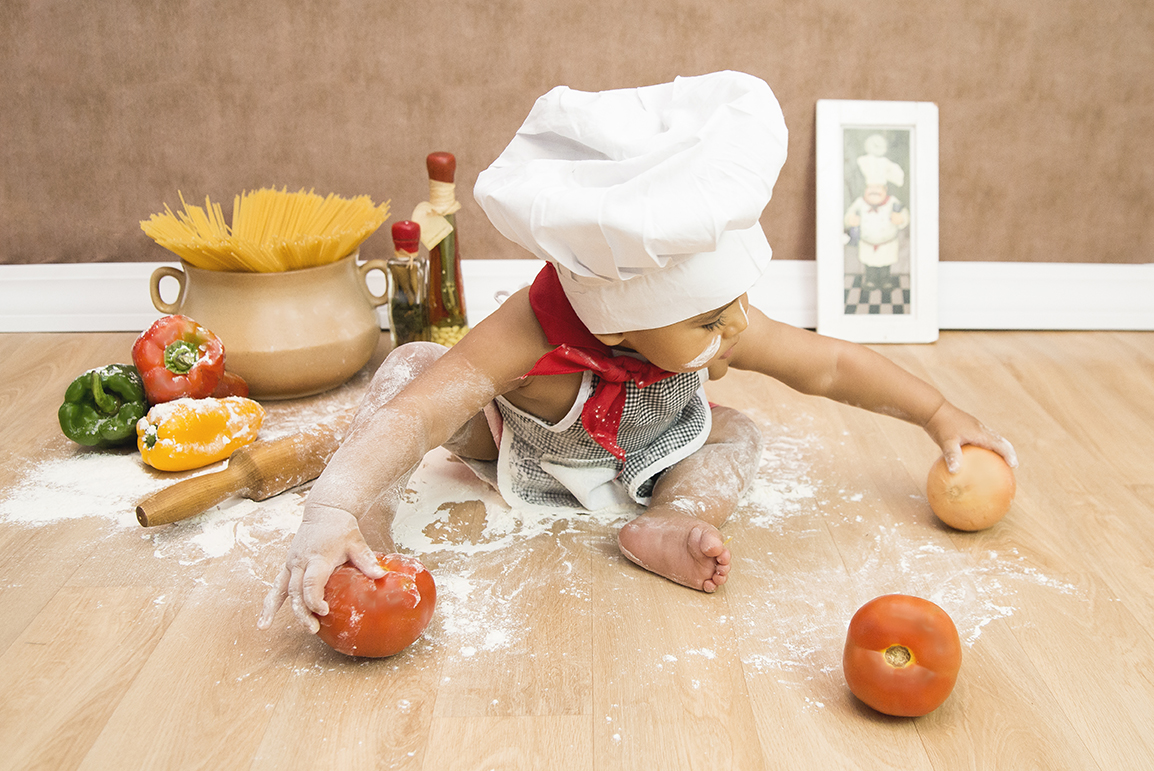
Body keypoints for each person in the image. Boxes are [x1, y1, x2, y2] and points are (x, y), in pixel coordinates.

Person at [258, 71, 1016, 635]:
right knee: (415, 368)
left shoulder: (715, 325)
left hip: (647, 457)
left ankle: (669, 519)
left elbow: (830, 365)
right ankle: (362, 530)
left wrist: (940, 413)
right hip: (515, 448)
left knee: (736, 430)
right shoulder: (531, 327)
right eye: (711, 319)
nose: (734, 328)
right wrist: (334, 505)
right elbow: (424, 414)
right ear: (617, 324)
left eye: (732, 309)